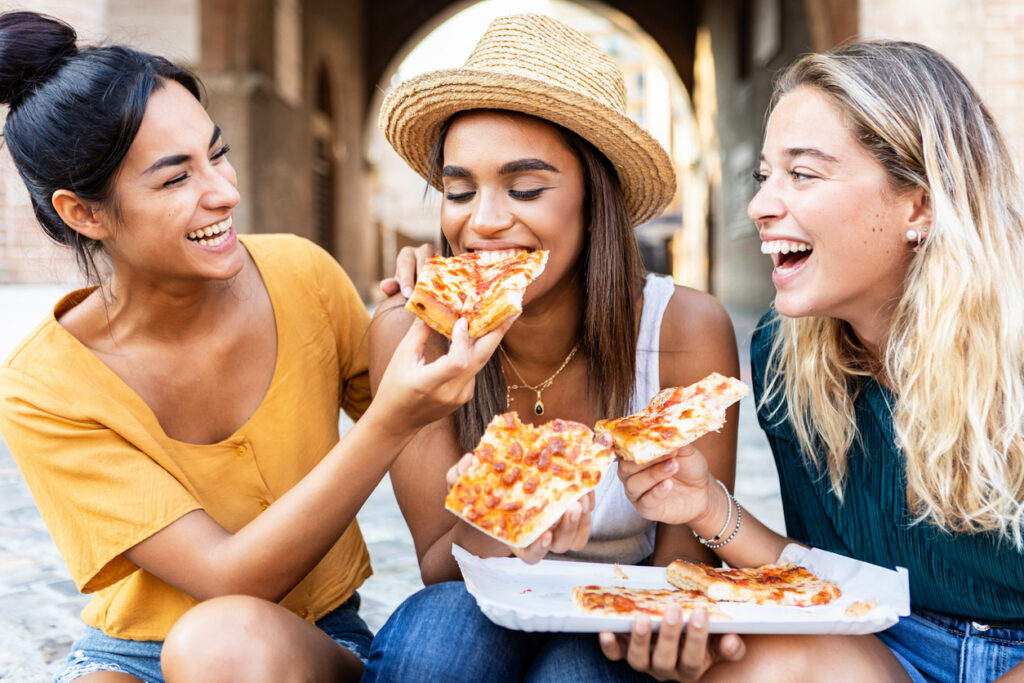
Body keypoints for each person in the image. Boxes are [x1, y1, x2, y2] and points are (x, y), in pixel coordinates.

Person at [0, 11, 510, 683]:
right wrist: (388, 421)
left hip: (298, 641)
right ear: (84, 213)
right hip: (130, 651)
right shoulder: (44, 384)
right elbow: (223, 574)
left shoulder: (302, 276)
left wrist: (432, 309)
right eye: (176, 178)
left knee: (225, 645)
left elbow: (450, 442)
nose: (225, 191)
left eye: (217, 152)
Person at [608, 40, 1024, 681]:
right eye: (765, 175)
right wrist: (705, 509)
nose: (760, 207)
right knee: (732, 662)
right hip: (881, 643)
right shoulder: (784, 355)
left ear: (920, 203)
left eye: (802, 174)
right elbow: (831, 580)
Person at [363, 13, 746, 682]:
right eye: (458, 191)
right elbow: (436, 564)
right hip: (472, 599)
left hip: (619, 622)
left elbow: (684, 565)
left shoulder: (685, 330)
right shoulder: (409, 333)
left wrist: (671, 633)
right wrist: (504, 512)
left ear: (595, 199)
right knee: (435, 635)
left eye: (526, 188)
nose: (480, 221)